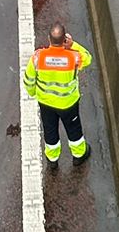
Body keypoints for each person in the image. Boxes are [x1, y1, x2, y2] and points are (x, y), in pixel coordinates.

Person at [23, 21, 93, 168]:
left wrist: (34, 93)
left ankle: (52, 160)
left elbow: (29, 80)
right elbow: (88, 58)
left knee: (50, 130)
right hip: (68, 103)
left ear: (49, 39)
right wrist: (73, 45)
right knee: (74, 130)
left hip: (46, 103)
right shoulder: (73, 58)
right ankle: (79, 156)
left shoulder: (37, 58)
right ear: (64, 40)